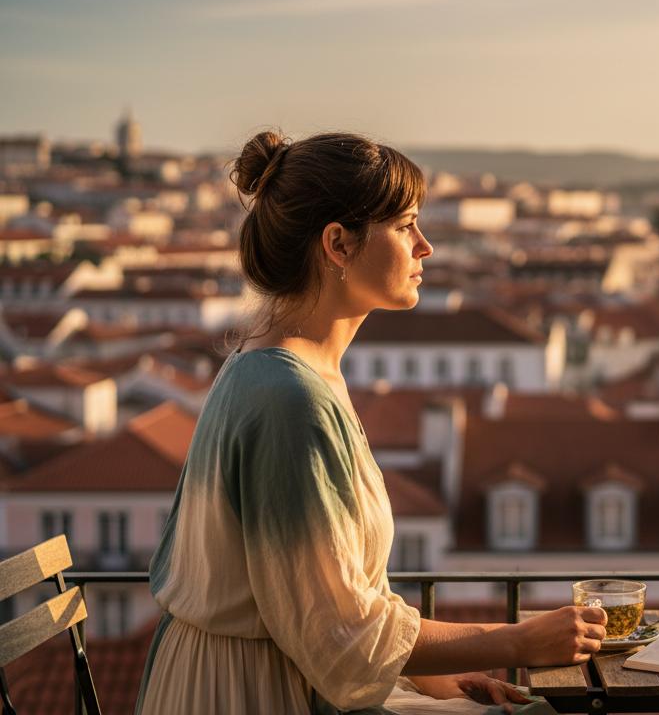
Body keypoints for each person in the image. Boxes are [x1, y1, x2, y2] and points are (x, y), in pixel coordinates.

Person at [135, 131, 607, 714]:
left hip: (266, 676)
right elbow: (338, 632)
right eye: (406, 225)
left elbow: (332, 602)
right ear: (338, 244)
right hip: (255, 693)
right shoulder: (290, 398)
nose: (425, 246)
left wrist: (441, 680)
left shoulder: (279, 370)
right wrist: (520, 641)